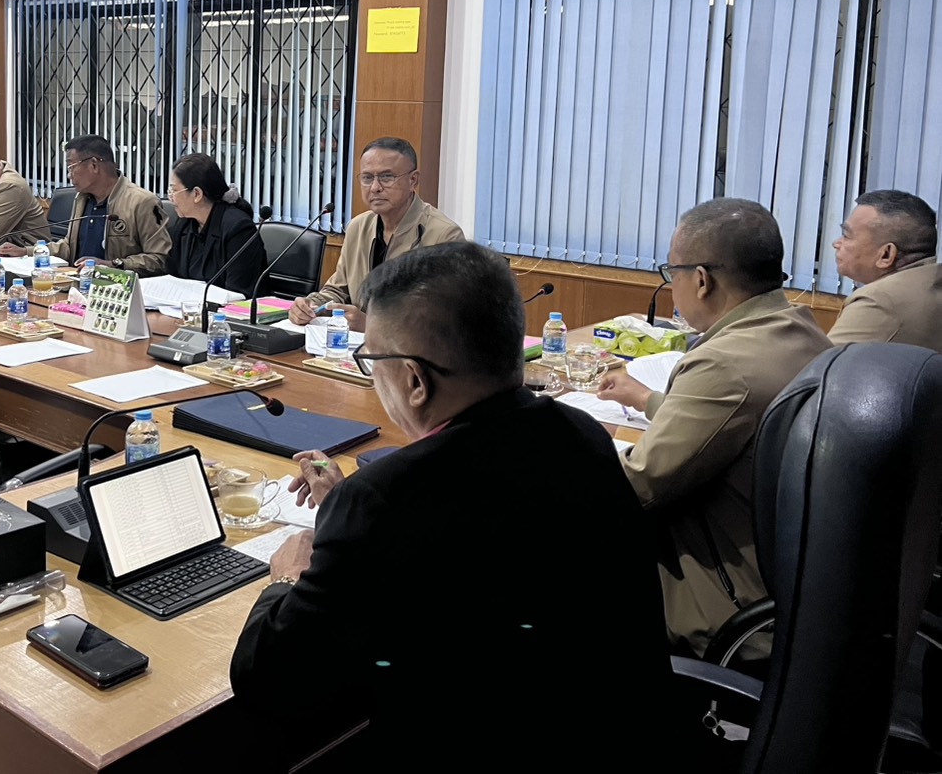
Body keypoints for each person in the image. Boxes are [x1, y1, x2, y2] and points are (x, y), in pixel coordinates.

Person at [230, 242, 677, 769]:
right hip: (621, 734)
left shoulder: (383, 501)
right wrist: (345, 514)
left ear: (415, 381)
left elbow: (268, 681)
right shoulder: (580, 432)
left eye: (370, 361)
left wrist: (289, 575)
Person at [595, 198, 832, 655]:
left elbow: (634, 488)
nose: (672, 285)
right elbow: (728, 421)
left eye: (672, 272)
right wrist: (647, 400)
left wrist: (578, 447)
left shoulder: (722, 364)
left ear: (701, 280)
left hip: (724, 600)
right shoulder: (804, 331)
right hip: (794, 581)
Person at [289, 137, 464, 330]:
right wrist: (310, 305)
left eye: (387, 177)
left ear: (413, 180)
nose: (375, 188)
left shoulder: (444, 235)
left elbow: (445, 319)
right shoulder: (358, 227)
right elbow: (337, 291)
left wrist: (371, 325)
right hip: (352, 344)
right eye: (367, 178)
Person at [0, 134, 169, 275]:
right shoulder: (82, 198)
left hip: (117, 291)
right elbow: (69, 247)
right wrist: (26, 251)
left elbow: (159, 259)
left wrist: (112, 265)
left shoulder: (142, 202)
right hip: (78, 284)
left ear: (94, 165)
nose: (69, 175)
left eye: (71, 167)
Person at [828, 189, 942, 350]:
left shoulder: (879, 301)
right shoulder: (933, 283)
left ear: (886, 255)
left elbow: (820, 364)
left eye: (846, 235)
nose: (836, 244)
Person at [163, 153, 266, 292]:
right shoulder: (184, 225)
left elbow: (238, 293)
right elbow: (172, 278)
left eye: (174, 191)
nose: (170, 198)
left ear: (197, 194)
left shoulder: (238, 229)